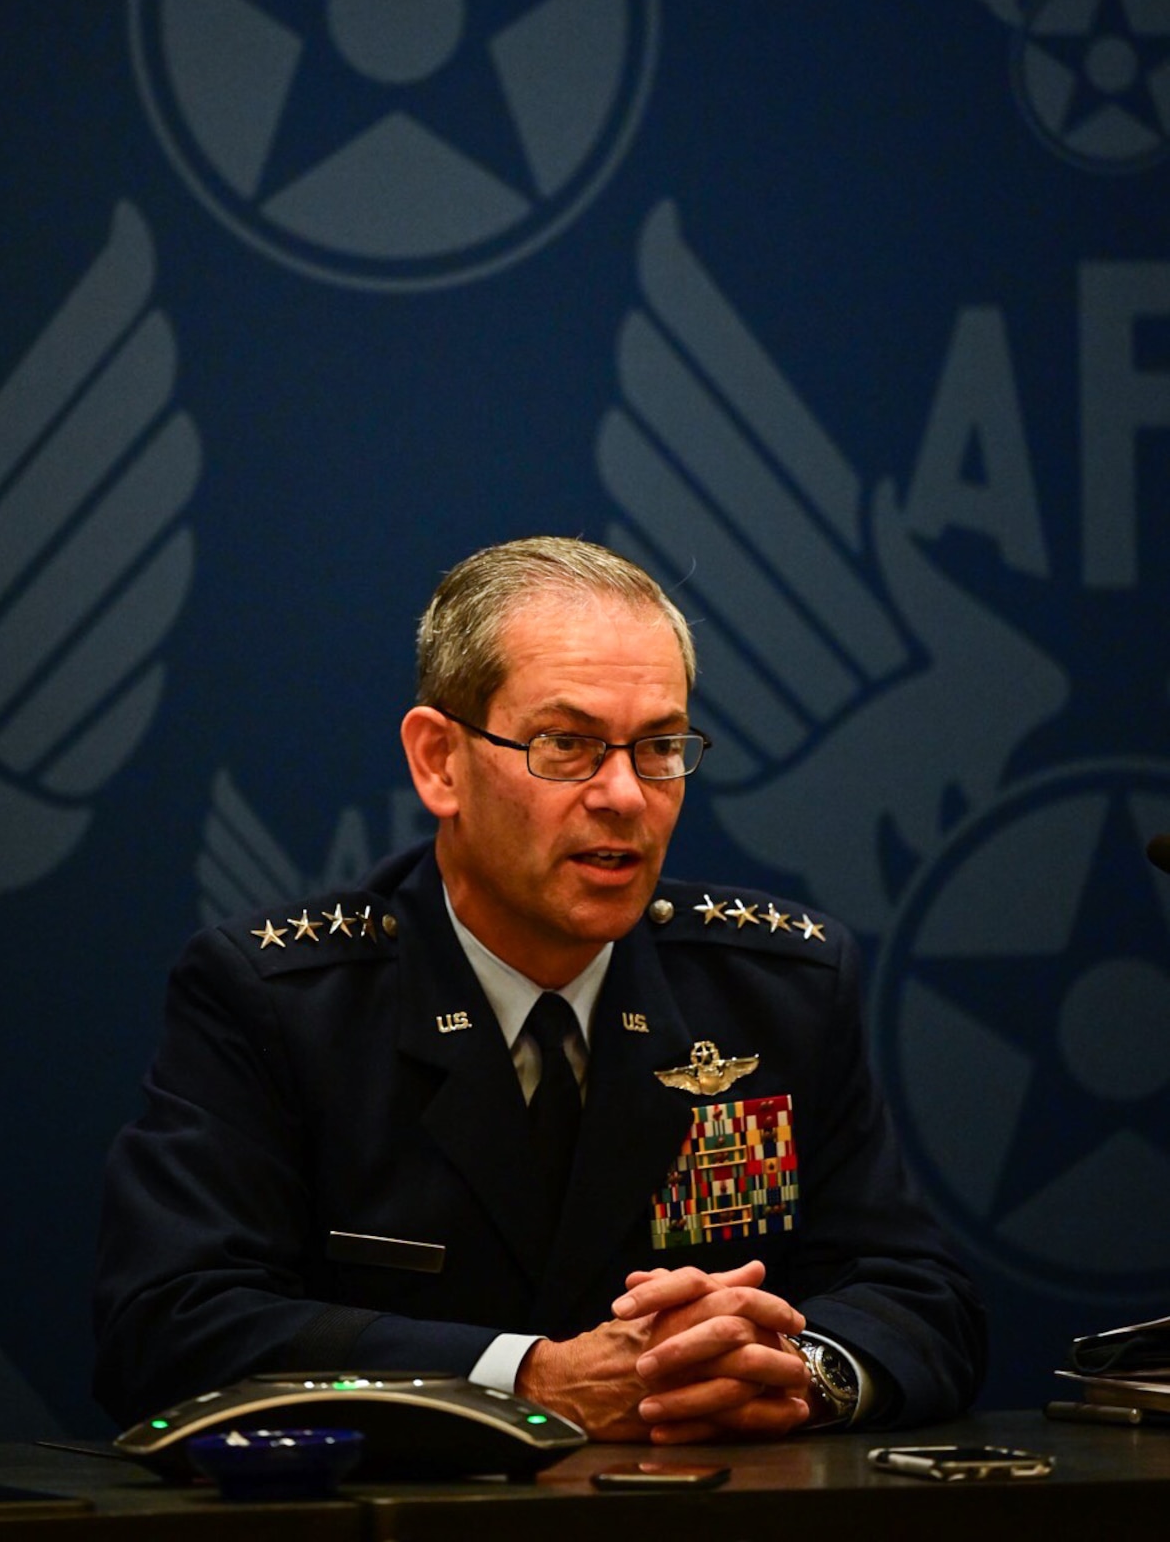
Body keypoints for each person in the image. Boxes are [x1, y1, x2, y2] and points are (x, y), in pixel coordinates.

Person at [93, 538, 986, 1440]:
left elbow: (919, 1300)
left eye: (660, 748)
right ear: (439, 761)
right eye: (567, 746)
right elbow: (170, 1329)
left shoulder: (778, 986)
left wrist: (791, 1372)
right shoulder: (282, 1000)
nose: (625, 796)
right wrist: (519, 1380)